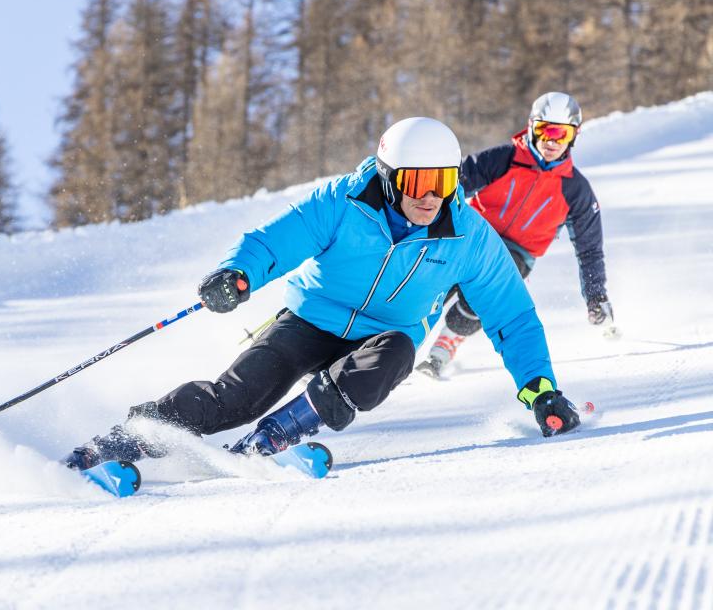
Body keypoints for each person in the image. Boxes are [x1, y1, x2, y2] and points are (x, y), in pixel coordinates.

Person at [64, 116, 581, 472]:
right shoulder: (343, 201)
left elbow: (511, 314)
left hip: (384, 336)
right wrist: (239, 275)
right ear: (389, 176)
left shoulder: (467, 234)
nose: (430, 196)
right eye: (418, 181)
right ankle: (123, 439)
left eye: (443, 182)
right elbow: (275, 241)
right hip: (311, 320)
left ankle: (273, 438)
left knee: (396, 353)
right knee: (233, 398)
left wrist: (540, 386)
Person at [416, 92, 613, 379]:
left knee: (483, 296)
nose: (552, 141)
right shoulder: (505, 158)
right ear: (532, 126)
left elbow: (589, 249)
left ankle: (444, 347)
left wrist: (596, 296)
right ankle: (391, 342)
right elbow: (455, 185)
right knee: (434, 287)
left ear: (574, 135)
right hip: (474, 235)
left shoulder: (575, 189)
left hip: (517, 253)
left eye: (562, 133)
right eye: (545, 130)